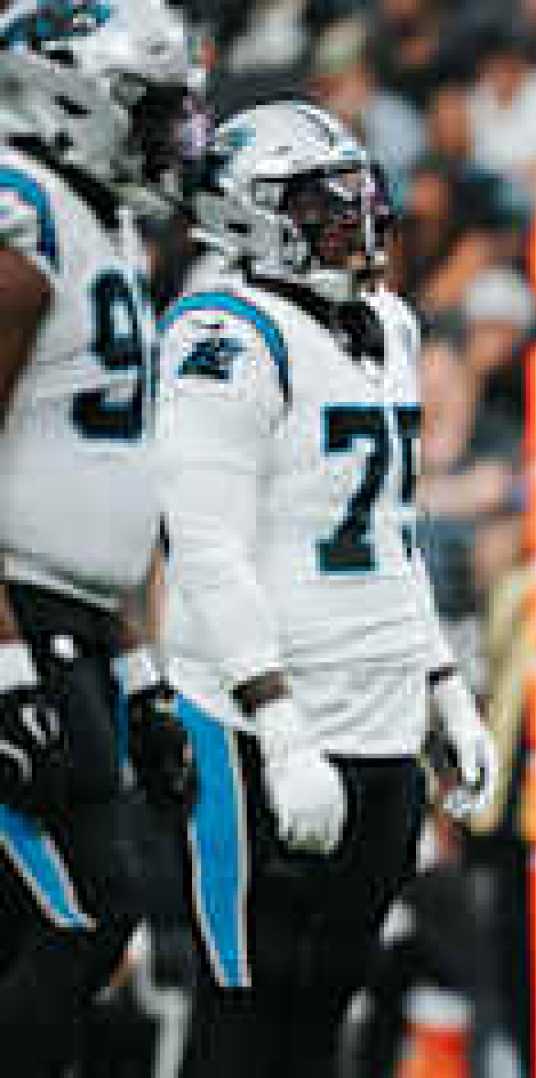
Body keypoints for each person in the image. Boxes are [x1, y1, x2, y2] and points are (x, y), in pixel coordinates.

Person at [153, 100, 496, 1076]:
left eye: (355, 192)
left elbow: (392, 528)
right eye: (319, 200)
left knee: (329, 1001)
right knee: (248, 997)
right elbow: (207, 547)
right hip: (260, 712)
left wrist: (442, 685)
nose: (354, 215)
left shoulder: (389, 320)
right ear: (248, 213)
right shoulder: (224, 331)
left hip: (381, 705)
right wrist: (280, 723)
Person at [0, 1, 201, 1070]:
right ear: (71, 96)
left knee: (70, 917)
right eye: (152, 108)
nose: (175, 134)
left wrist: (144, 678)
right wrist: (2, 660)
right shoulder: (19, 205)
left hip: (75, 618)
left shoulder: (101, 221)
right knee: (81, 909)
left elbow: (108, 485)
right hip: (17, 612)